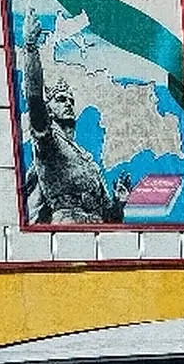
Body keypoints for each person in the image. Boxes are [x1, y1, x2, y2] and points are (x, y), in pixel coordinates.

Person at [20, 13, 131, 224]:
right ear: (49, 110)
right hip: (67, 231)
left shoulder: (88, 160)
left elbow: (110, 220)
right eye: (60, 99)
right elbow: (34, 98)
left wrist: (119, 202)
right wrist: (31, 46)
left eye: (70, 100)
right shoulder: (49, 143)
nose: (68, 103)